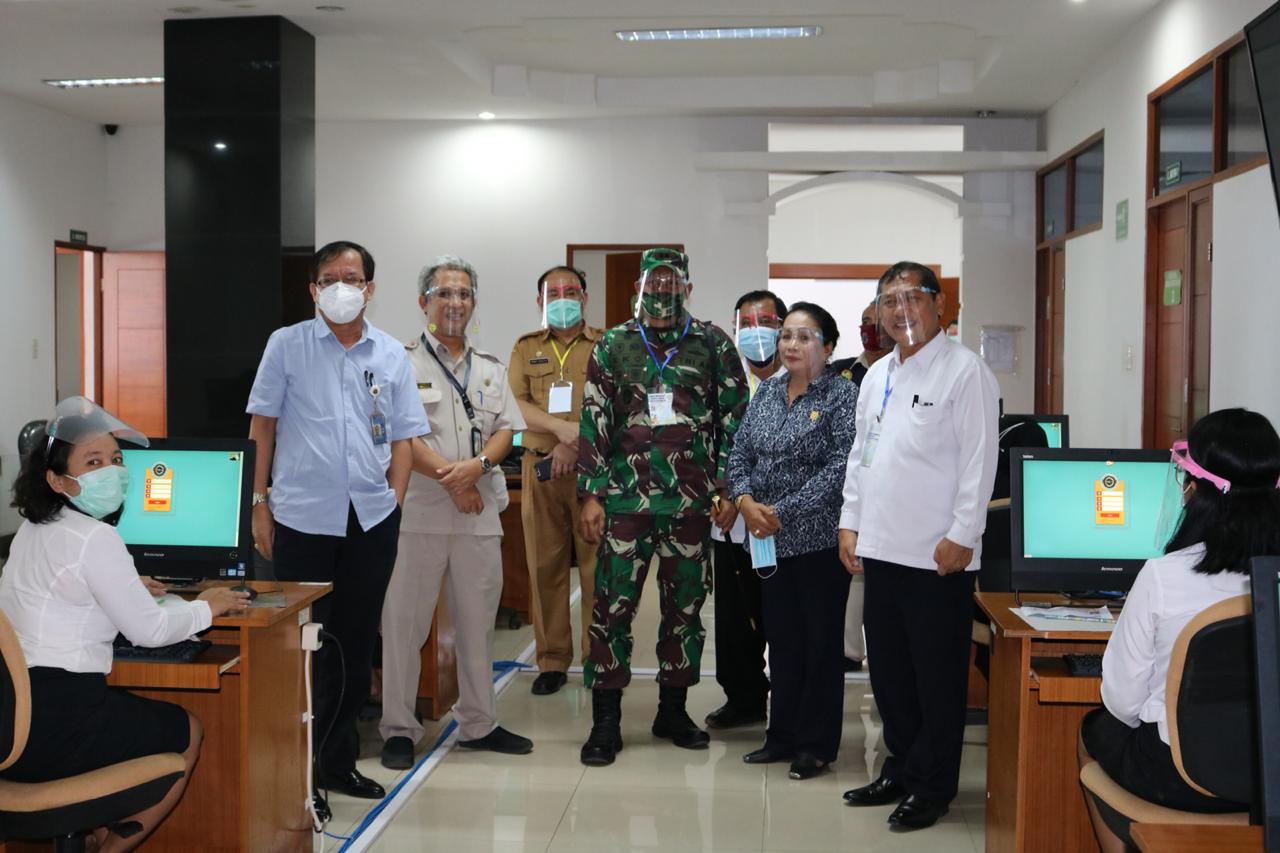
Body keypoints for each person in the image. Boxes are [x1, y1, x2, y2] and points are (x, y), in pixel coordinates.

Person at [0, 398, 249, 853]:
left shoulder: (30, 534)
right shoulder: (97, 537)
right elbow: (150, 632)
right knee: (188, 728)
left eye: (116, 459)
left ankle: (94, 833)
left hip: (12, 723)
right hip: (60, 720)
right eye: (92, 462)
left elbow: (58, 595)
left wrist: (125, 586)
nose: (112, 470)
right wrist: (210, 607)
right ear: (56, 479)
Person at [247, 240, 428, 800]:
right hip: (301, 519)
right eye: (330, 278)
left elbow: (404, 438)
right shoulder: (287, 345)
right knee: (302, 647)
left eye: (352, 278)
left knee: (351, 644)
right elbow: (263, 428)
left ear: (370, 288)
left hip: (371, 521)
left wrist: (393, 503)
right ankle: (295, 770)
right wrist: (258, 502)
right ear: (313, 289)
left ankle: (337, 762)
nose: (341, 287)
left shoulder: (392, 354)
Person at [839, 261, 1000, 830]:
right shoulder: (878, 373)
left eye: (912, 296)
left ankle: (933, 787)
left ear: (939, 304)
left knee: (935, 678)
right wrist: (849, 522)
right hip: (881, 550)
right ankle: (902, 768)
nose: (900, 309)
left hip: (938, 557)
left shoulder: (965, 372)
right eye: (889, 300)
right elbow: (862, 457)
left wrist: (963, 535)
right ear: (879, 315)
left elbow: (982, 463)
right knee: (890, 674)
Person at [1077, 408, 1280, 853]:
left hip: (1181, 778)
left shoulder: (1164, 576)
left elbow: (1122, 703)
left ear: (1193, 490)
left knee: (1093, 731)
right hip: (1271, 778)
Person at [577, 246, 747, 766]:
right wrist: (590, 493)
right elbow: (594, 420)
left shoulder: (713, 344)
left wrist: (724, 489)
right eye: (655, 281)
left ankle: (673, 709)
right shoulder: (613, 345)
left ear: (688, 288)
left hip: (691, 507)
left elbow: (734, 422)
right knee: (612, 611)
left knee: (685, 613)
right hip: (626, 503)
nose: (663, 291)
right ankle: (606, 720)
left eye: (674, 283)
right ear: (639, 287)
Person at [380, 256, 532, 768]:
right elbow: (401, 438)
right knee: (404, 626)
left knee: (476, 625)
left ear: (473, 303)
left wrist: (478, 468)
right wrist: (455, 480)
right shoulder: (398, 363)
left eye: (464, 294)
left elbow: (507, 430)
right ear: (424, 301)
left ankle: (478, 724)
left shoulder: (489, 367)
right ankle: (399, 729)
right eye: (444, 293)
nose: (455, 302)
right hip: (418, 514)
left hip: (477, 516)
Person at [727, 302, 859, 780]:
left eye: (804, 337)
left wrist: (780, 512)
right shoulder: (767, 392)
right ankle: (780, 735)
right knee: (781, 644)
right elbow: (739, 451)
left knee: (820, 646)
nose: (791, 345)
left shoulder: (843, 396)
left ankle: (815, 745)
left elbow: (840, 469)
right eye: (786, 336)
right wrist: (743, 500)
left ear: (827, 346)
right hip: (766, 542)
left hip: (818, 542)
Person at [508, 265, 602, 696]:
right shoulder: (526, 348)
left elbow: (616, 405)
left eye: (571, 290)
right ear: (540, 300)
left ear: (584, 297)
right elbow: (515, 404)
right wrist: (561, 433)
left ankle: (598, 658)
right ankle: (551, 660)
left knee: (597, 568)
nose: (562, 297)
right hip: (539, 468)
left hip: (594, 473)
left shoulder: (606, 345)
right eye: (553, 291)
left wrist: (576, 441)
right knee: (544, 566)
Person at [703, 289, 787, 731]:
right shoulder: (720, 382)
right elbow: (705, 445)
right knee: (736, 621)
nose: (757, 333)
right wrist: (722, 499)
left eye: (766, 322)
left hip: (781, 521)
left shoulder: (800, 381)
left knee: (783, 616)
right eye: (747, 324)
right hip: (730, 523)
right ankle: (743, 698)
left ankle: (791, 702)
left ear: (783, 327)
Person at [829, 299, 892, 674]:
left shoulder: (902, 373)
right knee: (852, 572)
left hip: (889, 490)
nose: (871, 331)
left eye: (877, 323)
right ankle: (849, 652)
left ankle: (884, 656)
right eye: (864, 323)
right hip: (846, 488)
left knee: (882, 579)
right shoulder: (840, 374)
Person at [830, 299, 892, 389]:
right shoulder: (838, 369)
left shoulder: (904, 370)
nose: (872, 330)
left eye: (880, 323)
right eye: (866, 322)